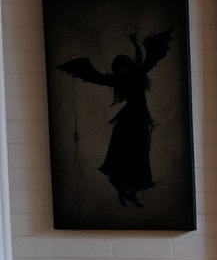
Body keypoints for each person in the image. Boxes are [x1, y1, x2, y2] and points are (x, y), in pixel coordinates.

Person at [57, 28, 172, 206]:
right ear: (117, 69)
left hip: (139, 119)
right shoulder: (119, 79)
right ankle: (123, 190)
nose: (124, 69)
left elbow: (140, 59)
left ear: (129, 65)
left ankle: (131, 191)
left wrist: (135, 44)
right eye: (120, 68)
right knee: (123, 155)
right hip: (128, 120)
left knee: (139, 156)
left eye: (125, 66)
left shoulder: (138, 74)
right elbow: (100, 77)